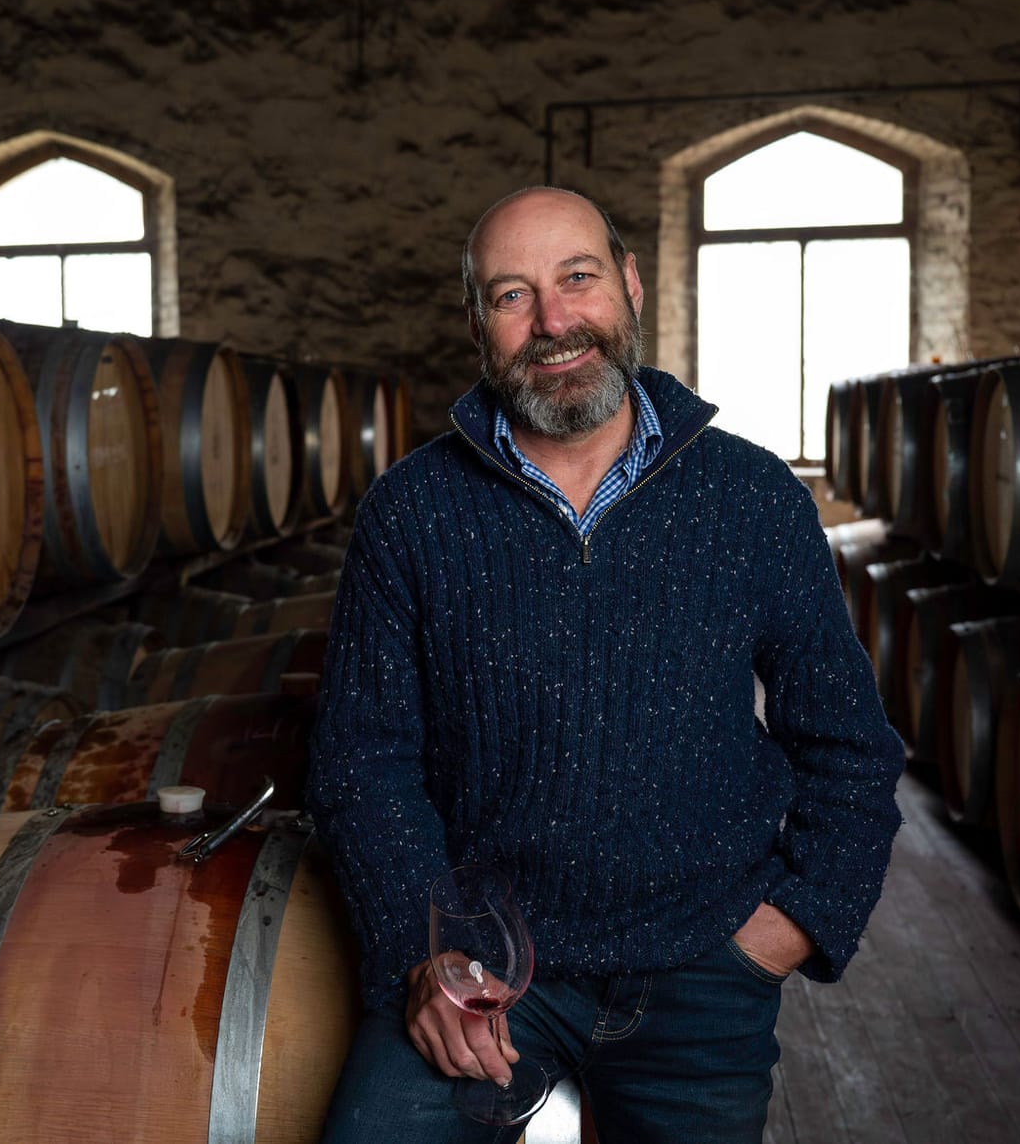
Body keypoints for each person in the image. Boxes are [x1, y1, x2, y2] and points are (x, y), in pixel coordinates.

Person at [307, 186, 906, 1143]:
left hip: (705, 974)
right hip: (486, 972)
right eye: (512, 295)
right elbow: (363, 765)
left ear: (627, 284)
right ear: (476, 325)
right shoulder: (412, 512)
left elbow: (849, 745)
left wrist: (785, 932)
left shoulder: (750, 498)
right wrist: (426, 956)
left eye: (577, 278)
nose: (552, 321)